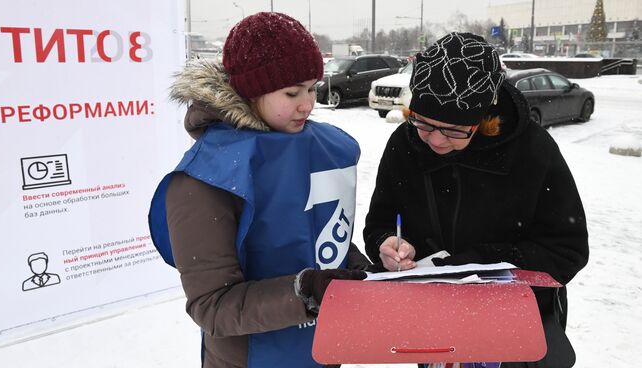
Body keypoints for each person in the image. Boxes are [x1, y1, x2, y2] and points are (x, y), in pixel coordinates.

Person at [148, 12, 369, 368]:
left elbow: (320, 234)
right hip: (248, 359)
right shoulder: (204, 180)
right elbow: (212, 306)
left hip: (321, 350)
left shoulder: (310, 146)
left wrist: (364, 268)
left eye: (312, 87)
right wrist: (306, 291)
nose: (308, 104)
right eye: (291, 92)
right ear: (251, 92)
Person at [363, 32, 589, 367]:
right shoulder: (405, 144)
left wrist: (476, 264)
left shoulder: (533, 151)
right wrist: (386, 244)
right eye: (423, 122)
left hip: (515, 334)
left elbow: (567, 251)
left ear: (484, 116)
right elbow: (379, 223)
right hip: (434, 327)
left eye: (454, 129)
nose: (435, 140)